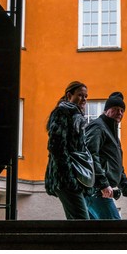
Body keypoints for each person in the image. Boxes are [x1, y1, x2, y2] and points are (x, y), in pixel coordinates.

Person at [85, 92, 127, 219]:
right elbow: (91, 156)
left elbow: (117, 166)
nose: (120, 113)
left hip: (99, 191)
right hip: (97, 191)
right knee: (115, 229)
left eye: (122, 110)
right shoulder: (98, 127)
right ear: (106, 110)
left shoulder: (111, 133)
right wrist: (103, 184)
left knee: (97, 234)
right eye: (115, 109)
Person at [45, 81, 92, 219]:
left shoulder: (76, 115)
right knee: (82, 221)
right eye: (80, 95)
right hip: (66, 175)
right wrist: (68, 174)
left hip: (73, 175)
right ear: (69, 95)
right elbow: (56, 145)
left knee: (76, 221)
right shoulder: (63, 112)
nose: (84, 99)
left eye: (86, 96)